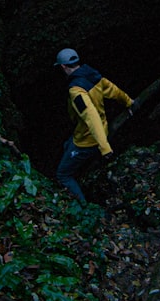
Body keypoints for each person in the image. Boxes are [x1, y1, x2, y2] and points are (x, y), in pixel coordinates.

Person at [53, 48, 134, 203]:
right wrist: (128, 101)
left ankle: (84, 207)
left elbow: (91, 117)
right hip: (91, 130)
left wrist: (104, 147)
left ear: (63, 67)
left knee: (62, 175)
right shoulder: (92, 75)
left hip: (88, 139)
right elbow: (112, 89)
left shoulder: (76, 91)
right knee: (67, 145)